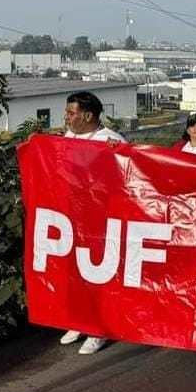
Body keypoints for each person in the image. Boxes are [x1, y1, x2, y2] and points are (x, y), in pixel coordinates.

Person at [58, 91, 126, 355]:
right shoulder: (69, 137)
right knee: (74, 272)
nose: (67, 117)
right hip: (73, 217)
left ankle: (99, 329)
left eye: (71, 113)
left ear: (87, 115)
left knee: (98, 275)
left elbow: (127, 177)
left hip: (101, 220)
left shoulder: (109, 140)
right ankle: (78, 321)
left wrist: (119, 154)